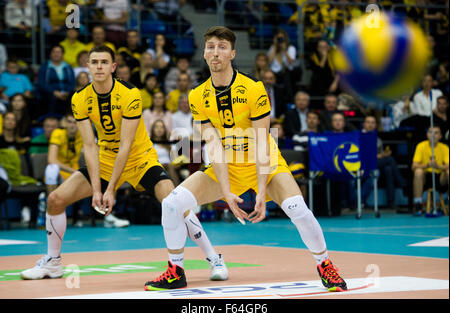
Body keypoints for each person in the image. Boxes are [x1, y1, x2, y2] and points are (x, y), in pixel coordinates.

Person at [144, 26, 347, 292]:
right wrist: (226, 192)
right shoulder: (197, 95)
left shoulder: (253, 89)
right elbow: (213, 145)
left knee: (298, 209)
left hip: (265, 163)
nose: (215, 52)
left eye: (222, 47)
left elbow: (263, 141)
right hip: (227, 165)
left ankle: (325, 266)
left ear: (232, 54)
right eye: (211, 47)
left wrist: (261, 191)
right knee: (171, 204)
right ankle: (175, 270)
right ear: (204, 54)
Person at [20, 45, 227, 282]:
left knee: (174, 202)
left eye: (104, 62)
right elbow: (89, 146)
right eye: (94, 62)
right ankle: (53, 262)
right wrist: (97, 189)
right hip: (106, 159)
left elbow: (126, 145)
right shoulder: (79, 98)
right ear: (87, 66)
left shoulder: (130, 94)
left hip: (140, 158)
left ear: (113, 67)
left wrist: (110, 190)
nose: (99, 66)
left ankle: (215, 259)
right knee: (56, 200)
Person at [361, 115, 407, 209]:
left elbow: (378, 154)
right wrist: (382, 156)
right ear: (364, 124)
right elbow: (363, 155)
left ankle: (391, 202)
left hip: (375, 164)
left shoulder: (377, 139)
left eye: (372, 122)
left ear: (375, 125)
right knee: (390, 160)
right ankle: (403, 184)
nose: (370, 125)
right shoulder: (359, 137)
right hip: (363, 164)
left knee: (388, 169)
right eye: (368, 122)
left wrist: (383, 154)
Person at [412, 126, 449, 216]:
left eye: (436, 133)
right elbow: (413, 166)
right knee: (418, 172)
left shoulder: (444, 148)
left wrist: (438, 166)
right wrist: (427, 165)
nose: (433, 135)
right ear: (427, 135)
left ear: (440, 136)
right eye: (431, 132)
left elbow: (448, 164)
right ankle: (418, 204)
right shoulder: (421, 146)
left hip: (440, 178)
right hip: (426, 177)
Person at [36, 45, 75, 116]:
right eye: (54, 52)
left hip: (66, 94)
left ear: (63, 54)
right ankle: (51, 119)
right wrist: (54, 92)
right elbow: (41, 83)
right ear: (50, 54)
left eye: (58, 52)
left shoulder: (68, 67)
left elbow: (72, 83)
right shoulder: (44, 67)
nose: (56, 54)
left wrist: (67, 92)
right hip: (50, 94)